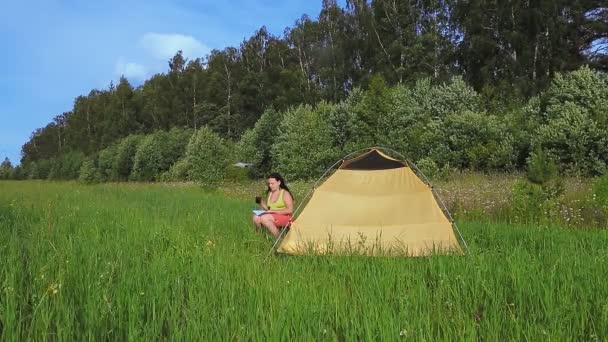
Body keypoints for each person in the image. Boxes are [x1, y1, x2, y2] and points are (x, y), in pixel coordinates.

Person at [252, 173, 294, 238]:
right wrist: (261, 203)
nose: (270, 186)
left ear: (279, 182)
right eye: (269, 184)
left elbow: (290, 210)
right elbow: (269, 209)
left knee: (264, 218)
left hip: (286, 217)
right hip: (273, 216)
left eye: (272, 183)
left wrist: (273, 211)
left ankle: (279, 239)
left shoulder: (285, 193)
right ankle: (261, 236)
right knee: (255, 217)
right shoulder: (270, 193)